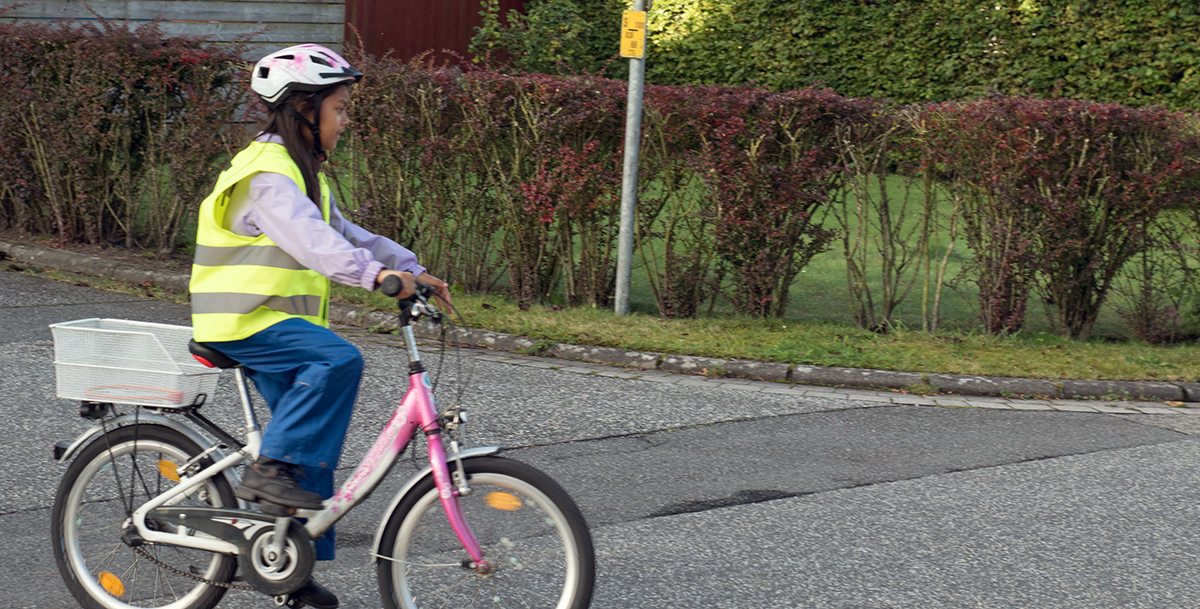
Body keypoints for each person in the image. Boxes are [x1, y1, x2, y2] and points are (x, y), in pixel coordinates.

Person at [188, 44, 450, 609]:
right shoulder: (266, 175)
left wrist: (409, 268)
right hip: (243, 321)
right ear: (304, 109)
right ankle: (268, 469)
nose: (346, 120)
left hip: (273, 324)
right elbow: (315, 244)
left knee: (310, 450)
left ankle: (289, 571)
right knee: (338, 361)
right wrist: (377, 277)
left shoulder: (299, 172)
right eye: (340, 108)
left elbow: (345, 233)